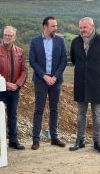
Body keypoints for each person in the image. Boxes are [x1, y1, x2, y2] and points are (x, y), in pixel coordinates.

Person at [69, 17, 100, 154]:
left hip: (97, 84)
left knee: (97, 113)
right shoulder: (75, 42)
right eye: (81, 28)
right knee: (81, 113)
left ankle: (97, 142)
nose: (82, 30)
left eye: (85, 27)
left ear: (92, 27)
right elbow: (73, 59)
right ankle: (80, 140)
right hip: (81, 83)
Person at [29, 16, 67, 150]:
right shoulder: (34, 41)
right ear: (45, 27)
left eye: (56, 26)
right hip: (41, 80)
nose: (56, 28)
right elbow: (32, 61)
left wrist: (55, 77)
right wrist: (45, 76)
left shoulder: (61, 41)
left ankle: (54, 138)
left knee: (54, 109)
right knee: (38, 110)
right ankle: (36, 140)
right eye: (53, 26)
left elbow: (64, 60)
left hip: (56, 81)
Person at [0, 26, 27, 150]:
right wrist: (4, 83)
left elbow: (24, 70)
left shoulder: (20, 52)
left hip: (15, 89)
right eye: (5, 35)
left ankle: (13, 140)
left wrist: (17, 84)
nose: (6, 37)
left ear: (15, 37)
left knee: (12, 115)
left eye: (9, 35)